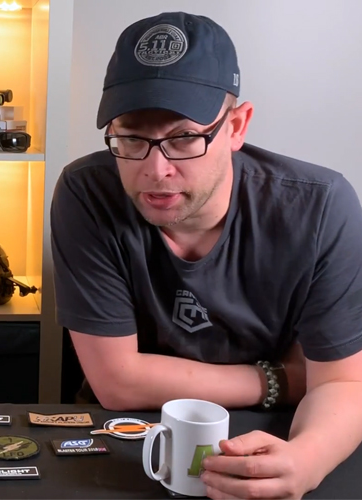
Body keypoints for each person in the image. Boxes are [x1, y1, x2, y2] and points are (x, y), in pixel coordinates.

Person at [51, 11, 362, 500]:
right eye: (130, 137)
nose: (156, 170)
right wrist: (282, 379)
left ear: (236, 126)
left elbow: (342, 384)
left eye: (183, 138)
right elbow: (117, 383)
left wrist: (307, 460)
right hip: (128, 435)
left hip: (276, 430)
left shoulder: (321, 207)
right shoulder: (86, 191)